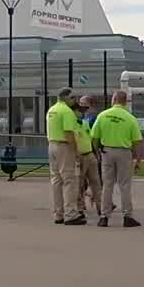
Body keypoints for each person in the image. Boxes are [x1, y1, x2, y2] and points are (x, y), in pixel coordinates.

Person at [91, 90, 143, 228]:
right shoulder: (130, 118)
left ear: (113, 100)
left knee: (107, 184)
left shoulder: (103, 115)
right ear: (125, 102)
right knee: (124, 185)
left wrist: (97, 151)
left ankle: (104, 216)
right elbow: (137, 141)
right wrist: (138, 159)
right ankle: (127, 216)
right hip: (124, 152)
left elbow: (94, 137)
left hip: (107, 150)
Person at [46, 88, 83, 225]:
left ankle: (58, 213)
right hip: (64, 146)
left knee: (56, 180)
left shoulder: (52, 110)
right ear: (66, 98)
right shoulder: (67, 112)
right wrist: (76, 151)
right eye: (73, 98)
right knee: (69, 180)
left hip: (52, 144)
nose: (75, 100)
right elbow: (69, 133)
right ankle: (71, 214)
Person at [73, 95, 103, 221]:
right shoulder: (74, 124)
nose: (82, 110)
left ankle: (101, 208)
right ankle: (79, 209)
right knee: (79, 183)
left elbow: (92, 138)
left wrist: (96, 153)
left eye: (84, 105)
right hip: (79, 156)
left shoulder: (88, 121)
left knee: (96, 182)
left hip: (89, 154)